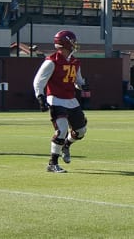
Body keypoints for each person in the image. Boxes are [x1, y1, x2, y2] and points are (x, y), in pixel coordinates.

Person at [33, 30, 89, 173]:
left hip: (71, 100)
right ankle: (53, 163)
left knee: (81, 131)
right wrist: (40, 97)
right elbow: (38, 81)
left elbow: (77, 80)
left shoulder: (75, 61)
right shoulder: (51, 61)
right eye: (72, 42)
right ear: (66, 43)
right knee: (62, 130)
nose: (74, 45)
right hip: (56, 99)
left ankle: (67, 145)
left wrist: (82, 85)